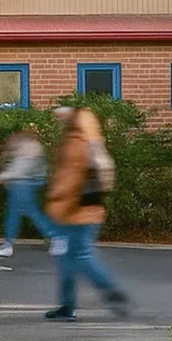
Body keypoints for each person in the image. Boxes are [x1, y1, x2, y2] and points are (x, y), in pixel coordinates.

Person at [43, 106, 128, 320]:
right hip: (88, 207)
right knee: (68, 258)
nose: (59, 122)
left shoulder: (76, 141)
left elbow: (71, 178)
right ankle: (67, 305)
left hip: (74, 209)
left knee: (79, 256)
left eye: (62, 118)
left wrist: (55, 197)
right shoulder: (91, 138)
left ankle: (110, 290)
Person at [0, 128, 53, 258]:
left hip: (22, 185)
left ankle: (8, 245)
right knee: (29, 214)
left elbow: (17, 171)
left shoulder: (28, 151)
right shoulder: (32, 150)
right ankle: (55, 237)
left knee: (22, 214)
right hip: (25, 185)